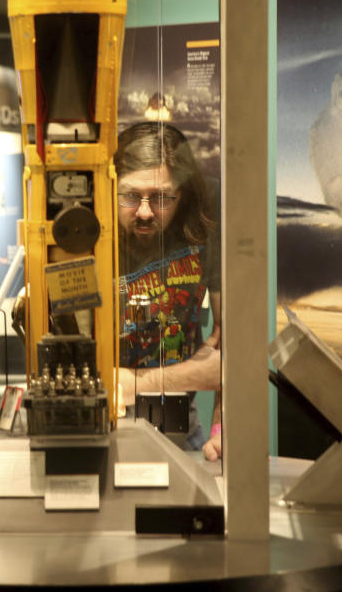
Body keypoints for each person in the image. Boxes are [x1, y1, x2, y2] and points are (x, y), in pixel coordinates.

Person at [114, 122, 223, 460]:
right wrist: (192, 375)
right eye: (131, 196)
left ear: (183, 193)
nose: (144, 212)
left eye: (161, 198)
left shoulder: (208, 222)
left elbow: (229, 352)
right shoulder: (86, 230)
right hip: (104, 429)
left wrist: (221, 429)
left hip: (180, 429)